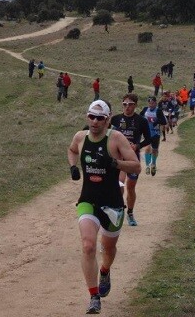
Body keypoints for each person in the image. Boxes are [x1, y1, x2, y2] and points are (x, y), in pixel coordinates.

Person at [67, 100, 141, 314]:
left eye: (100, 118)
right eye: (91, 116)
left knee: (108, 248)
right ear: (86, 117)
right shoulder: (80, 137)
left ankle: (105, 271)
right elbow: (72, 150)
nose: (95, 121)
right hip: (88, 200)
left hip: (113, 203)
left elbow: (136, 166)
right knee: (88, 246)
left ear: (108, 120)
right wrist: (73, 167)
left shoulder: (116, 139)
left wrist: (117, 164)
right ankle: (93, 296)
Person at [111, 93, 151, 226]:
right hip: (119, 157)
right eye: (124, 104)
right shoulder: (115, 119)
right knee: (119, 184)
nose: (127, 107)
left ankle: (130, 213)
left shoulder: (141, 120)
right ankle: (119, 210)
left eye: (130, 104)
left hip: (133, 157)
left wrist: (138, 146)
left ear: (135, 105)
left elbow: (149, 139)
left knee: (131, 187)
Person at [140, 96, 167, 176]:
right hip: (147, 133)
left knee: (154, 150)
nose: (151, 105)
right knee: (147, 148)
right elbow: (139, 117)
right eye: (149, 103)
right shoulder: (145, 109)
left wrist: (156, 120)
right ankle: (148, 166)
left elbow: (164, 122)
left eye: (152, 103)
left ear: (155, 103)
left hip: (156, 133)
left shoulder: (158, 111)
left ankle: (153, 164)